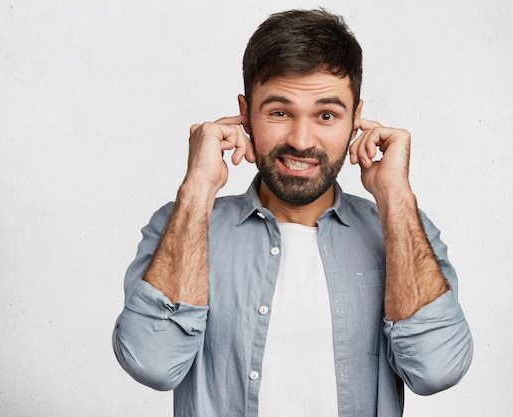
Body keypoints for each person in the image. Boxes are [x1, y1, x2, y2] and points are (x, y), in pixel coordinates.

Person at [112, 8, 472, 417]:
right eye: (280, 112)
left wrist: (395, 196)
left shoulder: (404, 231)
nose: (302, 141)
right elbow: (153, 363)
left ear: (356, 118)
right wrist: (197, 189)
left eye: (326, 115)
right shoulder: (182, 225)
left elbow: (437, 370)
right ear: (246, 114)